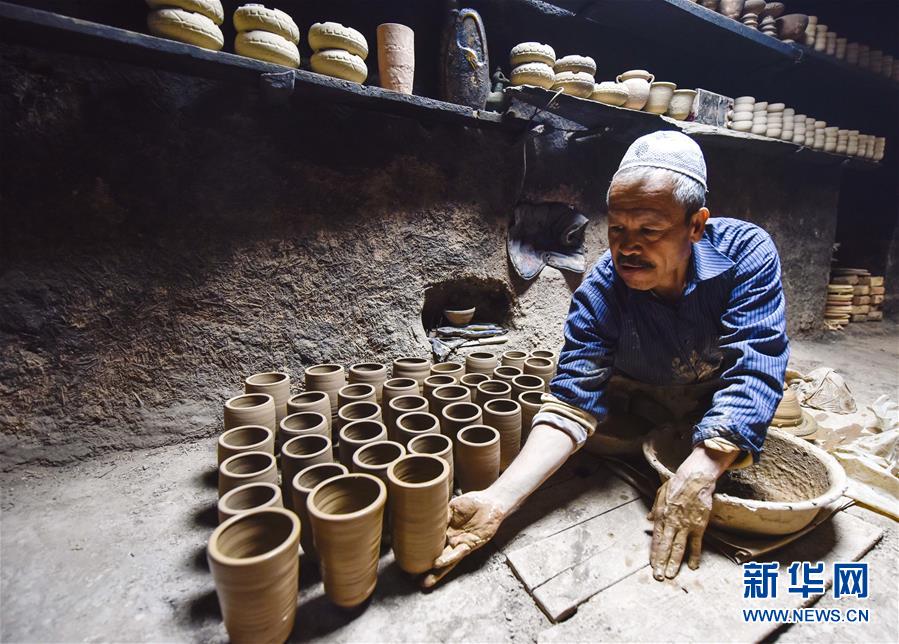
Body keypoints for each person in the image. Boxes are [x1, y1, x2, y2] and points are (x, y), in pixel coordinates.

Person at [424, 131, 789, 587]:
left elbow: (756, 360)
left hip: (710, 400)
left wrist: (702, 467)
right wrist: (498, 500)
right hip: (635, 403)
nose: (627, 247)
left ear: (696, 225)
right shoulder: (601, 288)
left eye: (649, 230)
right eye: (617, 228)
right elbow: (572, 401)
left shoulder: (746, 254)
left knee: (742, 430)